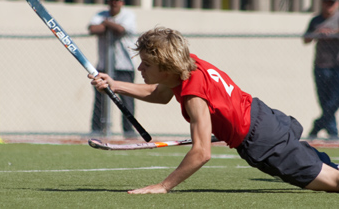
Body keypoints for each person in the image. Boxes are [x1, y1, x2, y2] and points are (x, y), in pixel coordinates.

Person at [89, 27, 339, 194]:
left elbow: (201, 153)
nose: (140, 68)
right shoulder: (189, 64)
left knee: (333, 183)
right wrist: (115, 84)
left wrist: (163, 186)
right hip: (264, 116)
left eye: (147, 64)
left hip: (264, 141)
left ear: (166, 67)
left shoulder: (193, 96)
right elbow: (159, 94)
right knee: (328, 169)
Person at [88, 0, 137, 138]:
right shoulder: (101, 15)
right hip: (104, 66)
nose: (114, 3)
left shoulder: (128, 15)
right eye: (112, 0)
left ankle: (128, 131)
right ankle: (97, 129)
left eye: (117, 0)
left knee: (127, 100)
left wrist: (106, 24)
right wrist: (109, 24)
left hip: (124, 66)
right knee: (100, 99)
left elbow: (121, 29)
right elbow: (93, 28)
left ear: (122, 2)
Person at [304, 0, 339, 140]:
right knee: (324, 101)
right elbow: (306, 39)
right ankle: (332, 133)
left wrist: (333, 32)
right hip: (321, 65)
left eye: (331, 3)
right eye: (326, 3)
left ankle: (319, 126)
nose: (328, 6)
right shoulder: (316, 20)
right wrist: (318, 32)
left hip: (337, 66)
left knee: (335, 100)